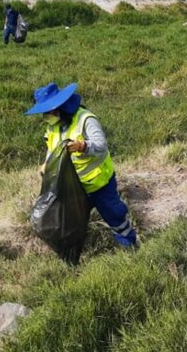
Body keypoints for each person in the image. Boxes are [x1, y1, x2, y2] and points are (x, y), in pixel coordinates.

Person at [26, 82, 138, 248]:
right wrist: (46, 166)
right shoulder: (53, 127)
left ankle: (129, 245)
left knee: (115, 215)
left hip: (99, 184)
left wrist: (83, 146)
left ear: (60, 107)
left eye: (47, 112)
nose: (45, 116)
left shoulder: (85, 119)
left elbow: (101, 146)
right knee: (71, 223)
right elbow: (52, 149)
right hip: (73, 188)